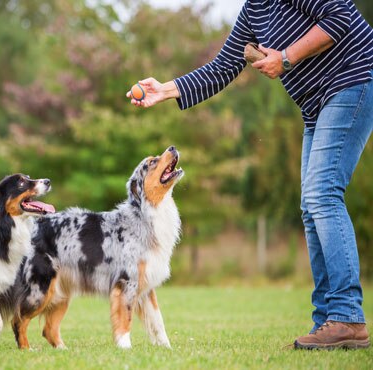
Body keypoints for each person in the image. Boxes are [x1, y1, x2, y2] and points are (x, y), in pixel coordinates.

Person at [126, 0, 372, 350]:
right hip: (317, 104)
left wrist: (286, 57)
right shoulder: (255, 9)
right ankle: (328, 321)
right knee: (311, 204)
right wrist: (165, 89)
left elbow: (341, 16)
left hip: (353, 80)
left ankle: (347, 317)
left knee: (322, 195)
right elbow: (222, 68)